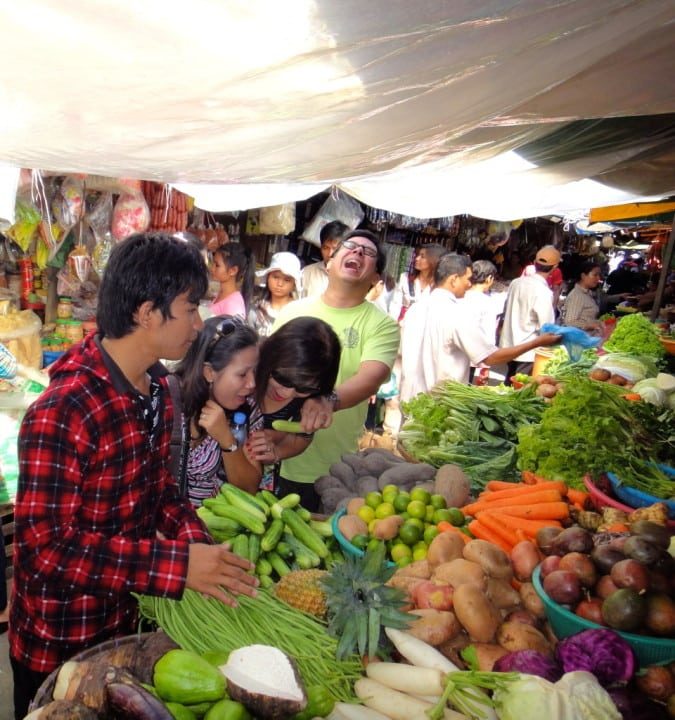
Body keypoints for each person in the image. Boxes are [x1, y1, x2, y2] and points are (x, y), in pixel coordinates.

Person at [9, 233, 258, 719]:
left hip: (126, 624)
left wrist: (195, 545)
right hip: (63, 638)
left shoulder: (160, 387)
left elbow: (160, 490)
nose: (199, 322)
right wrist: (176, 566)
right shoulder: (66, 409)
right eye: (189, 307)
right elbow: (45, 548)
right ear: (148, 313)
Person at [273, 229, 400, 511]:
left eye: (368, 253)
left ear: (376, 278)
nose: (357, 252)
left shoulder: (381, 324)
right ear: (329, 262)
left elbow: (371, 377)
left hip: (333, 467)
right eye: (350, 247)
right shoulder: (293, 311)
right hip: (275, 454)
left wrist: (327, 400)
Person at [402, 253, 560, 396]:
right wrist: (537, 342)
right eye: (468, 279)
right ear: (453, 279)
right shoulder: (456, 313)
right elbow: (490, 357)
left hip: (409, 397)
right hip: (437, 402)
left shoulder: (416, 308)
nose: (470, 284)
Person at [245, 317, 341, 500]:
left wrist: (276, 453)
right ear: (271, 356)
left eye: (303, 388)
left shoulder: (312, 398)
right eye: (283, 379)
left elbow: (303, 437)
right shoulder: (246, 370)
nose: (287, 393)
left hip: (259, 490)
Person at [173, 316, 262, 506]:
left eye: (255, 372)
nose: (252, 383)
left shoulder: (247, 411)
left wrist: (227, 440)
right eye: (242, 374)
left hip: (211, 526)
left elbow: (249, 488)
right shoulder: (168, 401)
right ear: (209, 373)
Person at [499, 245, 561, 380]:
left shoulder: (516, 282)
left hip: (509, 345)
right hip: (527, 350)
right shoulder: (543, 292)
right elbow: (546, 327)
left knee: (510, 380)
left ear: (534, 263)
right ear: (555, 268)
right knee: (519, 387)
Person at [249, 251, 303, 337]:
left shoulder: (299, 312)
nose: (280, 284)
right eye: (276, 277)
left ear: (294, 284)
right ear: (268, 277)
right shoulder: (256, 307)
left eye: (287, 280)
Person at [390, 243, 446, 322]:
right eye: (418, 255)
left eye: (422, 257)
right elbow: (395, 305)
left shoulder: (440, 287)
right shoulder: (405, 278)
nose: (417, 258)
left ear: (433, 261)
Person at [301, 220, 349, 298]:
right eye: (325, 248)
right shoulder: (307, 273)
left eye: (335, 248)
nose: (330, 254)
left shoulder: (353, 278)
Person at [209, 242, 256, 318]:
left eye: (217, 265)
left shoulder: (234, 306)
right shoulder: (222, 294)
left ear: (233, 270)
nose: (212, 268)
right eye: (213, 263)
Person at [561, 260, 605, 332]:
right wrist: (591, 325)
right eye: (595, 275)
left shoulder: (587, 293)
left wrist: (597, 323)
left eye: (599, 275)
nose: (598, 278)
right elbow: (570, 322)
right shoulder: (577, 295)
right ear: (583, 276)